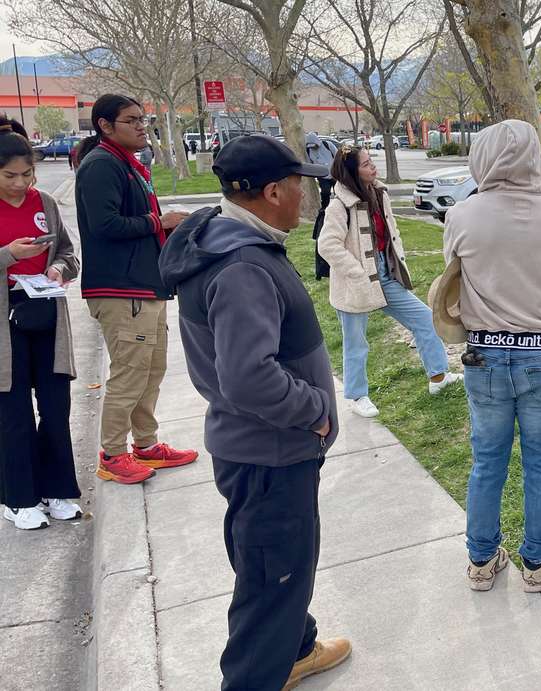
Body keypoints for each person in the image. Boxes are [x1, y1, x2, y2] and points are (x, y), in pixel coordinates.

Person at [158, 134, 350, 689]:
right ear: (272, 192)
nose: (304, 197)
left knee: (274, 565)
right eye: (298, 186)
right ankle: (260, 671)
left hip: (255, 450)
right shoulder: (242, 266)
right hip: (269, 453)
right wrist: (315, 410)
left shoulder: (227, 239)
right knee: (271, 584)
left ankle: (296, 648)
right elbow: (248, 377)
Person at [443, 120, 541, 594]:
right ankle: (537, 562)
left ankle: (481, 559)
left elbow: (454, 272)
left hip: (486, 354)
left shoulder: (462, 214)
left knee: (487, 461)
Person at [75, 94, 197, 485]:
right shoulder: (101, 166)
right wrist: (159, 222)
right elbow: (105, 226)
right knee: (129, 373)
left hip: (147, 286)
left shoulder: (128, 164)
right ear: (105, 126)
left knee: (151, 369)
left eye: (144, 120)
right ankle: (113, 454)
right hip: (120, 290)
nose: (143, 126)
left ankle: (146, 444)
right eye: (132, 121)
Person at [317, 145, 462, 418]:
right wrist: (357, 271)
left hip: (385, 276)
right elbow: (327, 245)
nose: (373, 167)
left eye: (372, 161)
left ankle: (439, 378)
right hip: (355, 284)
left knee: (426, 320)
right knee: (356, 343)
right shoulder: (339, 205)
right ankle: (358, 396)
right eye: (366, 164)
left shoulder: (378, 192)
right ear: (351, 173)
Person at [0, 117, 82, 531]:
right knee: (13, 412)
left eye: (26, 174)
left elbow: (69, 254)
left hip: (47, 311)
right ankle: (19, 498)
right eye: (9, 175)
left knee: (54, 407)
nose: (20, 183)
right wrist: (8, 255)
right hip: (6, 323)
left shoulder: (45, 203)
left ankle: (58, 491)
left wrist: (58, 271)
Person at [306, 132, 337, 280]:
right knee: (325, 193)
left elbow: (337, 157)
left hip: (334, 174)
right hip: (323, 177)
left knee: (338, 191)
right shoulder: (308, 151)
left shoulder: (327, 145)